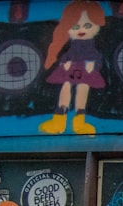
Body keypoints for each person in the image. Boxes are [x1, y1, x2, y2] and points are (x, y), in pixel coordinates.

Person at [38, 1, 106, 135]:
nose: (81, 30)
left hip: (85, 70)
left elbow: (97, 56)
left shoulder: (92, 45)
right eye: (75, 26)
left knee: (82, 91)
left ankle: (79, 122)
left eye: (87, 25)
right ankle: (59, 121)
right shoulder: (72, 44)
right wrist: (65, 62)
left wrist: (93, 64)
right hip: (72, 69)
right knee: (66, 88)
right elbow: (68, 54)